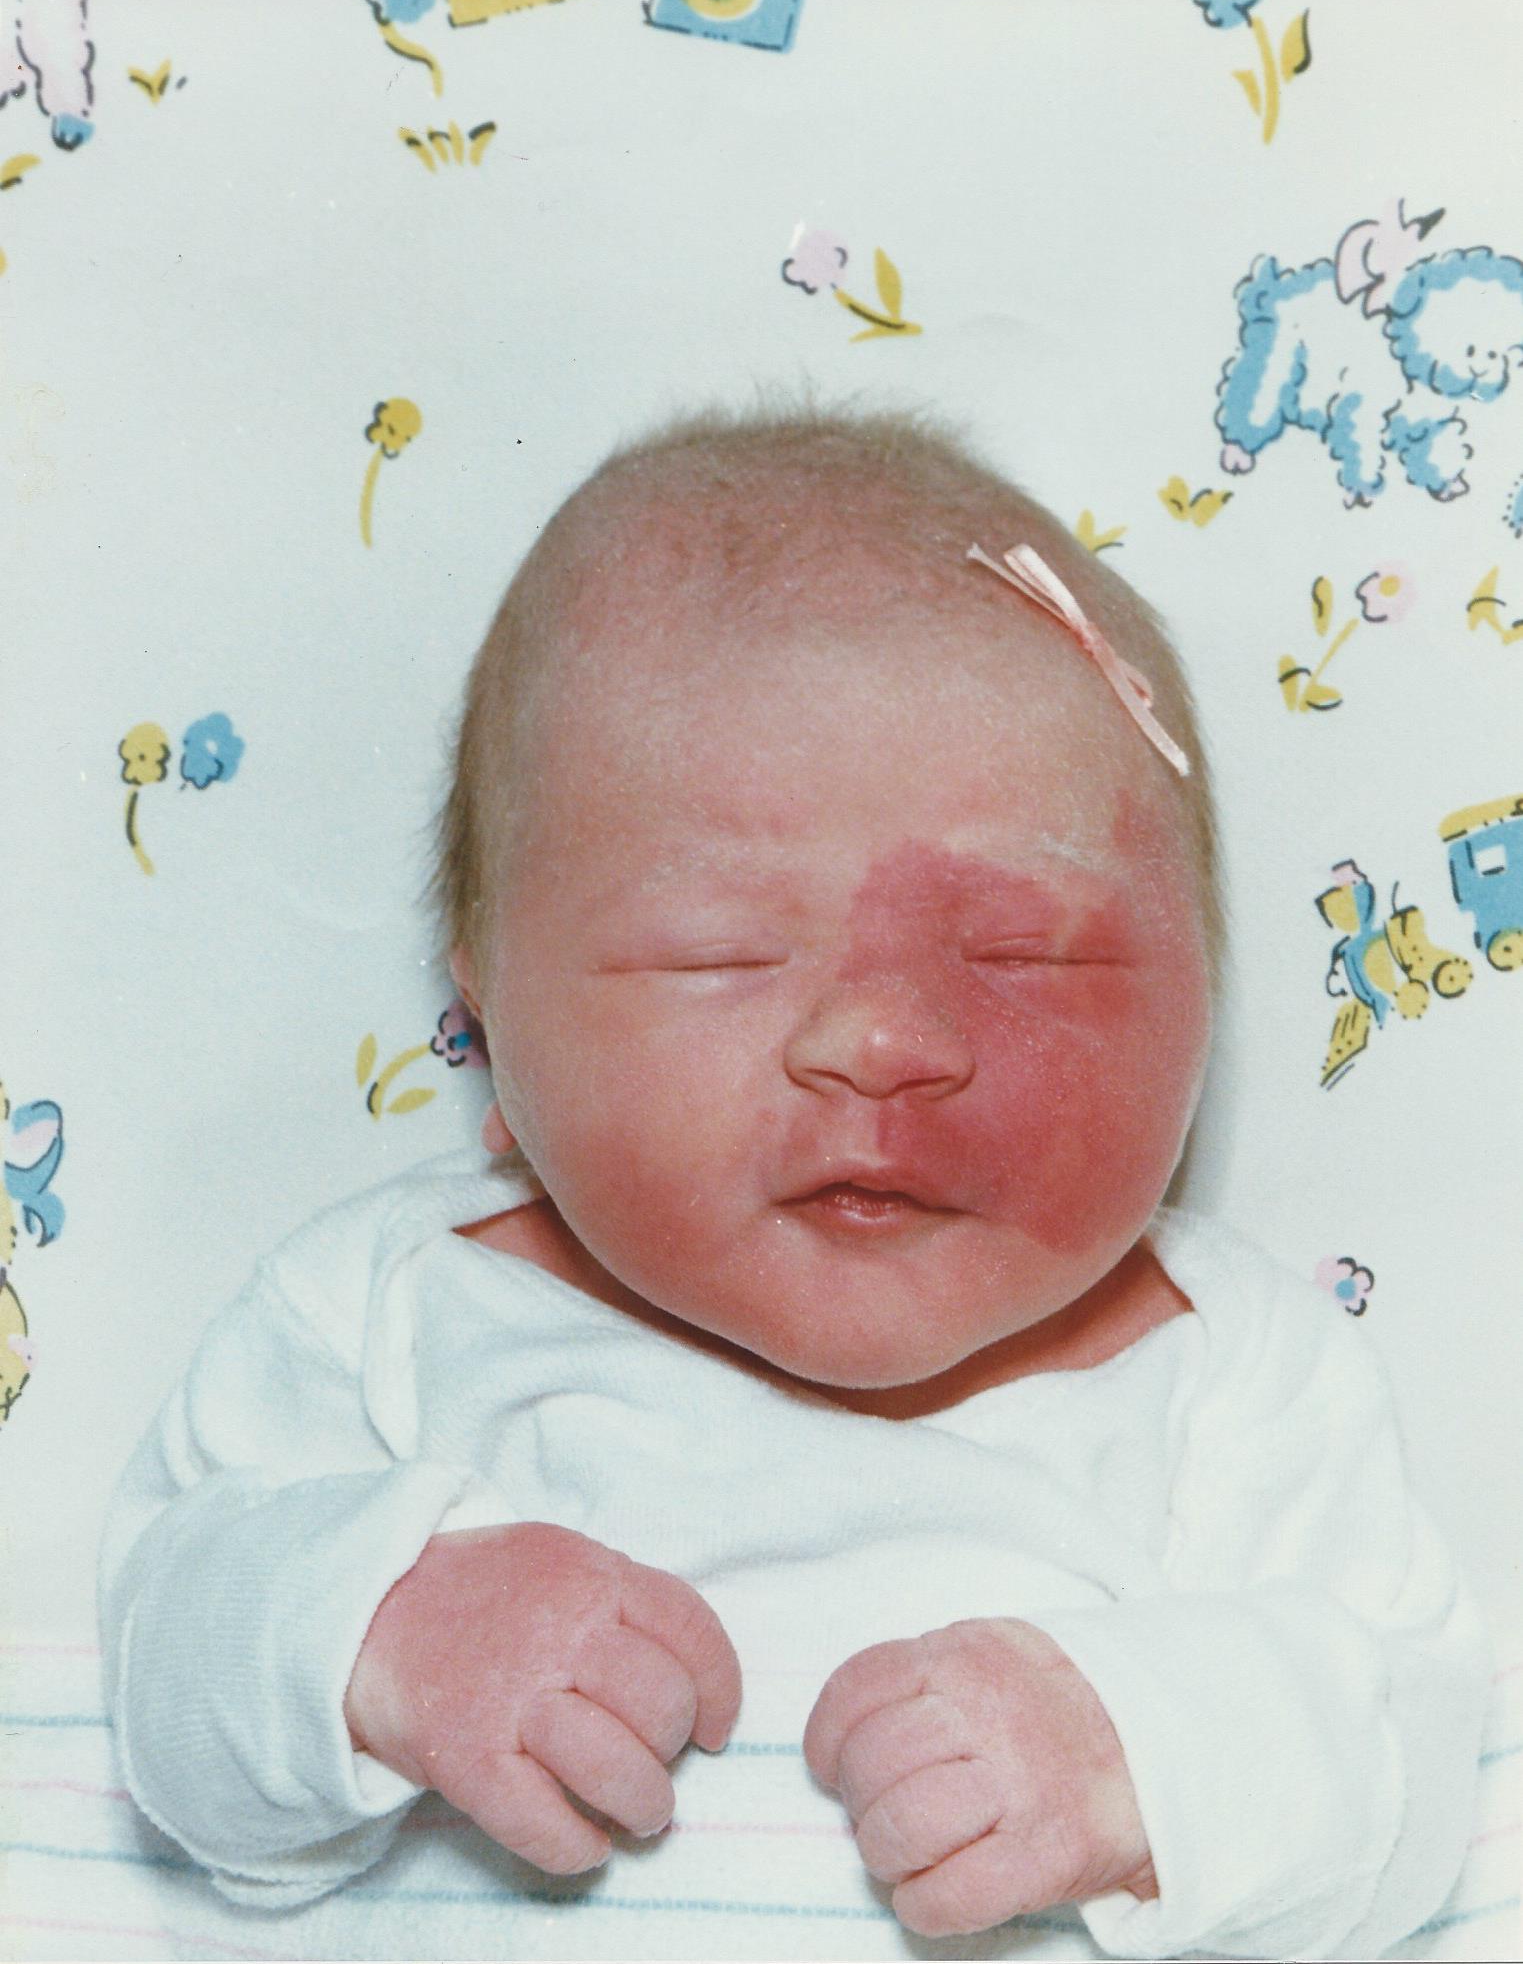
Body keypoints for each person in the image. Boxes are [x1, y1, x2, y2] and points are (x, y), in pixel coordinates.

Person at [99, 405, 1488, 1960]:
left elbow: (1411, 1759)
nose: (881, 1038)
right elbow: (164, 1667)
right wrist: (376, 1631)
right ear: (486, 1014)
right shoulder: (401, 1304)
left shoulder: (1230, 1374)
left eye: (1026, 951)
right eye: (722, 953)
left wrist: (1139, 1751)